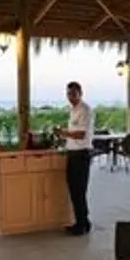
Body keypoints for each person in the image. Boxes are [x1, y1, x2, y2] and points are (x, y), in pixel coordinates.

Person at [54, 81, 94, 235]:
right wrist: (64, 136)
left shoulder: (85, 110)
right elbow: (73, 132)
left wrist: (63, 133)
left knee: (79, 190)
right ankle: (83, 222)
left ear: (80, 93)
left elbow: (81, 134)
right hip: (72, 153)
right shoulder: (73, 110)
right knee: (74, 190)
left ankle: (81, 225)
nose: (70, 96)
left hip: (81, 154)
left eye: (73, 94)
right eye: (68, 94)